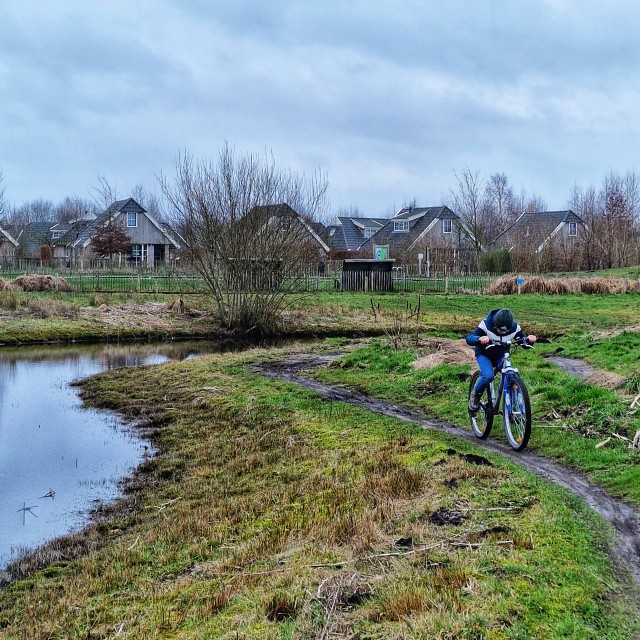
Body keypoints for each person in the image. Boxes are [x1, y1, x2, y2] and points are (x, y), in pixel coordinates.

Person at [466, 308, 537, 412]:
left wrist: (529, 340)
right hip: (484, 354)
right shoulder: (486, 325)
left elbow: (522, 341)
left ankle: (513, 407)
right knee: (488, 376)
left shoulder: (515, 328)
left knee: (512, 375)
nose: (503, 332)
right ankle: (475, 395)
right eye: (500, 329)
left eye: (506, 331)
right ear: (495, 324)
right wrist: (479, 339)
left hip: (501, 356)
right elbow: (469, 338)